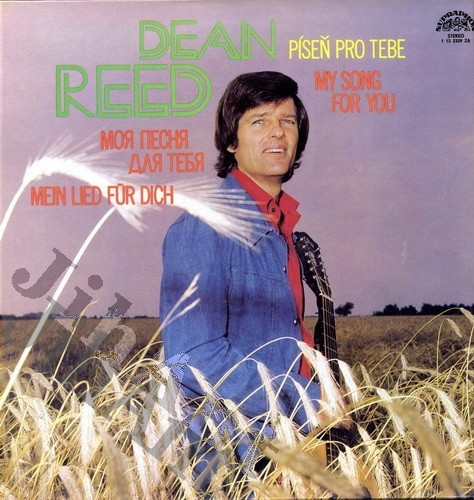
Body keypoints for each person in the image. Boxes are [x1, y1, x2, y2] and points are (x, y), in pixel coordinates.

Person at [159, 71, 346, 478]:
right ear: (231, 141)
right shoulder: (203, 227)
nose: (277, 132)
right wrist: (309, 401)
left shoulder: (286, 233)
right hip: (237, 463)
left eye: (287, 121)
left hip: (297, 447)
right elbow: (191, 356)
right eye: (259, 121)